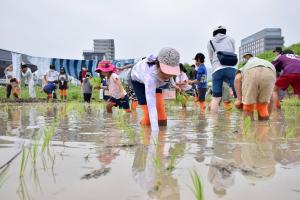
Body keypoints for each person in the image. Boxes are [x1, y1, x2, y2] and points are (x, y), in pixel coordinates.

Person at [130, 47, 180, 131]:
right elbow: (152, 106)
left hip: (156, 82)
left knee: (162, 118)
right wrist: (155, 135)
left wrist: (174, 85)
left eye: (171, 73)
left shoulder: (168, 72)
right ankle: (143, 131)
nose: (168, 76)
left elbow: (170, 77)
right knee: (149, 117)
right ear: (158, 65)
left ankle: (162, 139)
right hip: (138, 82)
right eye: (166, 73)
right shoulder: (150, 77)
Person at [234, 53, 276, 120]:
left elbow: (237, 78)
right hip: (270, 72)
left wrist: (239, 99)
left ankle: (249, 129)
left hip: (251, 71)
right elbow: (272, 97)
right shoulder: (265, 62)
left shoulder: (247, 64)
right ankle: (264, 127)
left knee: (248, 106)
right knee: (263, 107)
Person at [207, 26, 237, 112]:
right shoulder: (231, 39)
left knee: (216, 98)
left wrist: (216, 65)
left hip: (217, 70)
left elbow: (211, 58)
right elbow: (232, 52)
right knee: (238, 95)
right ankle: (242, 121)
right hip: (231, 68)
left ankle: (214, 123)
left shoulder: (210, 42)